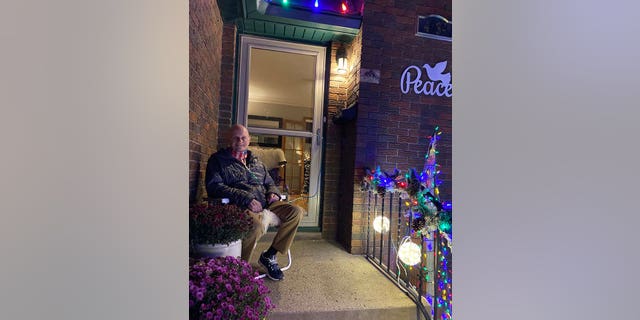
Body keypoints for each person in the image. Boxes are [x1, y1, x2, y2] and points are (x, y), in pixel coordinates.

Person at [204, 124, 304, 281]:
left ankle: (270, 255)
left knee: (296, 212)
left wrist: (273, 193)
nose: (240, 141)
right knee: (256, 225)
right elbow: (214, 187)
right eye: (236, 138)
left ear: (249, 139)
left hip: (266, 202)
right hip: (240, 205)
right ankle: (239, 267)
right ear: (229, 140)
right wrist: (246, 198)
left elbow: (270, 182)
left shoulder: (256, 161)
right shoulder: (218, 160)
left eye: (243, 138)